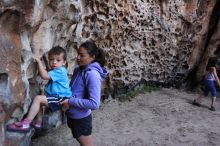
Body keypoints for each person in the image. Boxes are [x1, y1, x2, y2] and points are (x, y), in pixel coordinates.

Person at [7, 46, 72, 132]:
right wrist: (45, 59)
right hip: (59, 97)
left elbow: (45, 76)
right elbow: (49, 69)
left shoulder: (61, 70)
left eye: (58, 60)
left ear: (64, 62)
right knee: (40, 102)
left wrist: (39, 62)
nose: (54, 62)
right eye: (51, 59)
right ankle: (38, 122)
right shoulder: (57, 69)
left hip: (61, 99)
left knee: (38, 99)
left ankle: (26, 124)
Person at [60, 41, 108, 146]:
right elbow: (74, 91)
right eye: (78, 53)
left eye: (82, 55)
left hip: (81, 119)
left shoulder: (93, 75)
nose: (77, 57)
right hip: (72, 115)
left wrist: (70, 101)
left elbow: (95, 104)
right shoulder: (78, 70)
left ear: (92, 57)